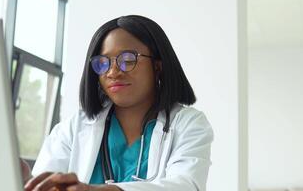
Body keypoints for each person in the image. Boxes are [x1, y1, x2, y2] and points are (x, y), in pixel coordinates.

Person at [24, 15, 213, 191]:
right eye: (103, 62)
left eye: (128, 59)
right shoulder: (74, 128)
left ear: (157, 66)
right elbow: (45, 182)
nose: (113, 72)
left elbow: (186, 185)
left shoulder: (189, 124)